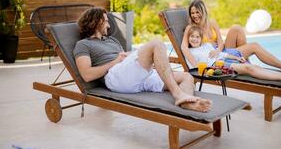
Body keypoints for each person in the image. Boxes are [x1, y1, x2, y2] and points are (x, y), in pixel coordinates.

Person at [73, 7, 212, 113]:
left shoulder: (112, 40)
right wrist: (116, 61)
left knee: (187, 76)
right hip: (115, 78)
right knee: (156, 43)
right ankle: (178, 94)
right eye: (106, 21)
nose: (109, 25)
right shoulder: (83, 45)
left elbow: (127, 61)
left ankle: (188, 103)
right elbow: (87, 75)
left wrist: (154, 62)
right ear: (96, 22)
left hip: (134, 77)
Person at [181, 0, 281, 70]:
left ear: (203, 11)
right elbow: (184, 47)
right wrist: (195, 65)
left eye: (197, 12)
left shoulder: (212, 22)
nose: (194, 15)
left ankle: (246, 63)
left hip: (221, 51)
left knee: (237, 28)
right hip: (216, 58)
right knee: (254, 46)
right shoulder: (191, 28)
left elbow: (220, 42)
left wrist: (218, 50)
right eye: (192, 13)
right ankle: (278, 65)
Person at [187, 25, 281, 81]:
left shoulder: (206, 45)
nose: (194, 39)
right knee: (248, 67)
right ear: (188, 38)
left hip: (223, 60)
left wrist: (237, 58)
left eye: (197, 37)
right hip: (216, 66)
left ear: (201, 39)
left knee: (255, 67)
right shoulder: (190, 52)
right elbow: (194, 68)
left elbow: (222, 54)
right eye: (192, 36)